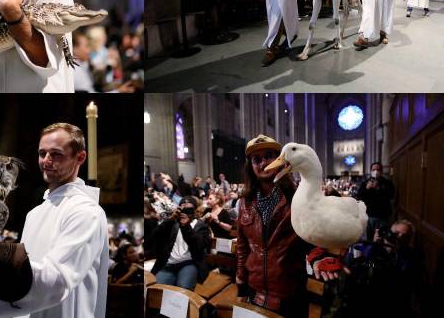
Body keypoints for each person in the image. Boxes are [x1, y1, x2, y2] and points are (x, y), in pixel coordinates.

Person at [0, 122, 108, 318]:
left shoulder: (86, 211)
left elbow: (57, 280)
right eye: (42, 153)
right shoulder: (34, 214)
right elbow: (26, 268)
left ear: (80, 157)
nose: (46, 160)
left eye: (56, 154)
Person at [236, 135, 339, 318]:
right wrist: (241, 282)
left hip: (289, 294)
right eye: (256, 159)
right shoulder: (245, 202)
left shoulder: (298, 196)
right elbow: (243, 246)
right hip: (254, 290)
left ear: (281, 161)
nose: (263, 163)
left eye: (269, 156)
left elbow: (313, 236)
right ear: (250, 167)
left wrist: (319, 256)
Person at [150, 196, 211, 290]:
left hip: (189, 263)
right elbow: (154, 236)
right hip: (169, 264)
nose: (185, 212)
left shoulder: (201, 226)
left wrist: (186, 226)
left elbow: (199, 246)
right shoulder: (173, 223)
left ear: (194, 211)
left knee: (182, 289)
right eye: (182, 209)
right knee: (155, 289)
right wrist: (170, 219)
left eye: (189, 209)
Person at [356, 162, 394, 240]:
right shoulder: (365, 183)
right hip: (369, 215)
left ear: (381, 171)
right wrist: (366, 189)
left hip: (382, 216)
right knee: (368, 238)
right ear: (371, 171)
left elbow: (390, 196)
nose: (376, 171)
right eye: (374, 169)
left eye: (378, 169)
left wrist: (377, 189)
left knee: (380, 239)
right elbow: (359, 197)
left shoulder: (387, 183)